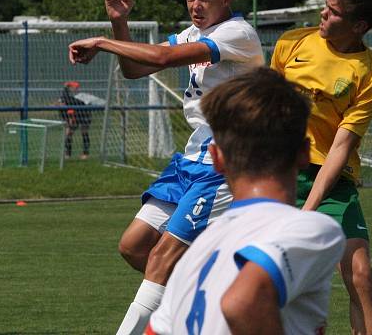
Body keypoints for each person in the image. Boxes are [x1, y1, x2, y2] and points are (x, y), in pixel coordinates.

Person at [68, 0, 264, 335]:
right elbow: (135, 69)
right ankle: (207, 308)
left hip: (227, 160)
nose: (195, 4)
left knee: (160, 258)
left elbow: (159, 58)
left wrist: (103, 42)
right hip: (193, 157)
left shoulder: (238, 34)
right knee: (134, 246)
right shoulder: (192, 32)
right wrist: (119, 25)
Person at [148, 67, 346, 334]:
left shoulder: (195, 252)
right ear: (304, 153)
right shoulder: (313, 230)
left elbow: (155, 331)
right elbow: (242, 302)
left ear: (216, 158)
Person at [270, 0, 372, 335]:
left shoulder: (369, 77)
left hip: (331, 181)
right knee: (270, 281)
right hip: (279, 175)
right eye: (326, 5)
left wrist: (309, 208)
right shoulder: (291, 43)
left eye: (334, 12)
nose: (323, 14)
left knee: (360, 276)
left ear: (359, 25)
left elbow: (340, 147)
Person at [58, 81, 92, 159]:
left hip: (84, 114)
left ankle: (85, 154)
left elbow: (71, 116)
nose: (61, 103)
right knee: (68, 133)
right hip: (74, 116)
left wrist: (67, 86)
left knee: (84, 132)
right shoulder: (61, 109)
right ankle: (68, 154)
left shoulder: (70, 101)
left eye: (62, 102)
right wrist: (69, 123)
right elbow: (67, 119)